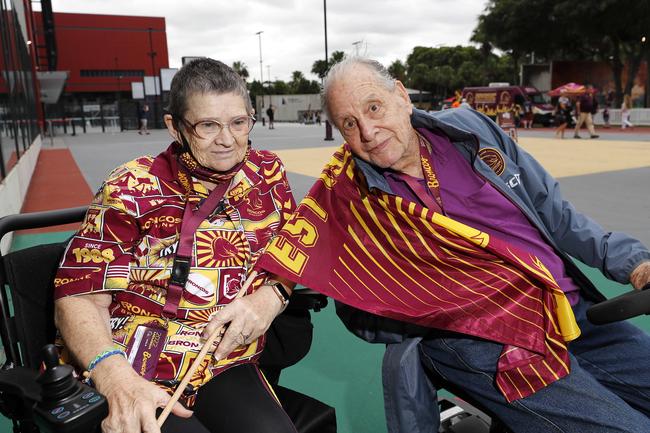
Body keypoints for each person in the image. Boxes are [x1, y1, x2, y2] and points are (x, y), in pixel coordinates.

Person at [260, 58, 650, 433]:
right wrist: (440, 311)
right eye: (349, 123)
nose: (368, 132)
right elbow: (360, 312)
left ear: (402, 96)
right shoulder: (350, 202)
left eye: (374, 107)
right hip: (487, 342)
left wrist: (634, 262)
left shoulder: (471, 129)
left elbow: (557, 215)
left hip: (569, 309)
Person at [53, 58, 300, 433]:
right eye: (207, 125)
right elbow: (79, 297)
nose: (228, 140)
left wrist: (271, 296)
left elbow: (293, 253)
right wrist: (117, 380)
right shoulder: (131, 187)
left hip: (223, 360)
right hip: (135, 365)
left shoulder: (267, 173)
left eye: (238, 122)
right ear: (175, 127)